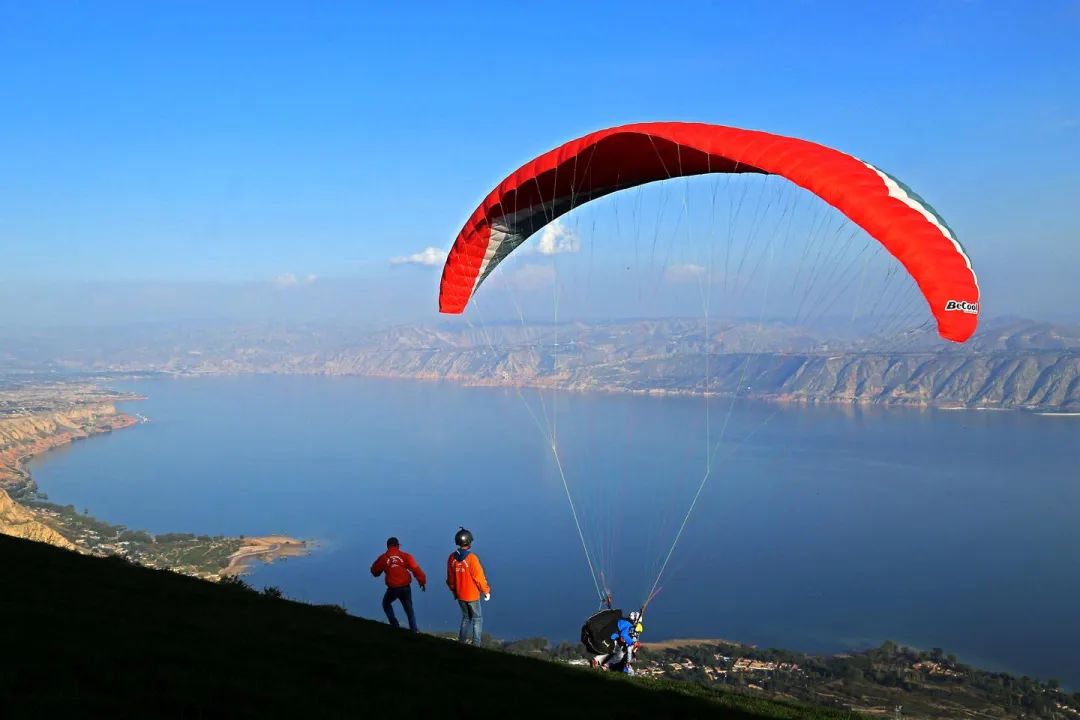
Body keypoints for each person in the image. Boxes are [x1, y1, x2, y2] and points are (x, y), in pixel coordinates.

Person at [370, 536, 426, 632]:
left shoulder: (383, 558)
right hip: (405, 587)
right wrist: (422, 581)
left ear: (387, 546)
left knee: (386, 603)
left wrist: (379, 571)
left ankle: (394, 624)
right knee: (409, 610)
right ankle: (414, 630)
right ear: (398, 546)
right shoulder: (405, 556)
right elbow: (416, 569)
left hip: (393, 588)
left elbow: (374, 571)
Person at [445, 527, 490, 645]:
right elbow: (479, 577)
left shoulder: (451, 558)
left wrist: (453, 590)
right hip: (472, 596)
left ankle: (461, 642)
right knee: (477, 620)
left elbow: (450, 577)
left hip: (460, 595)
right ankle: (476, 645)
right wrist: (486, 591)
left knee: (466, 618)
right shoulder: (471, 558)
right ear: (469, 542)